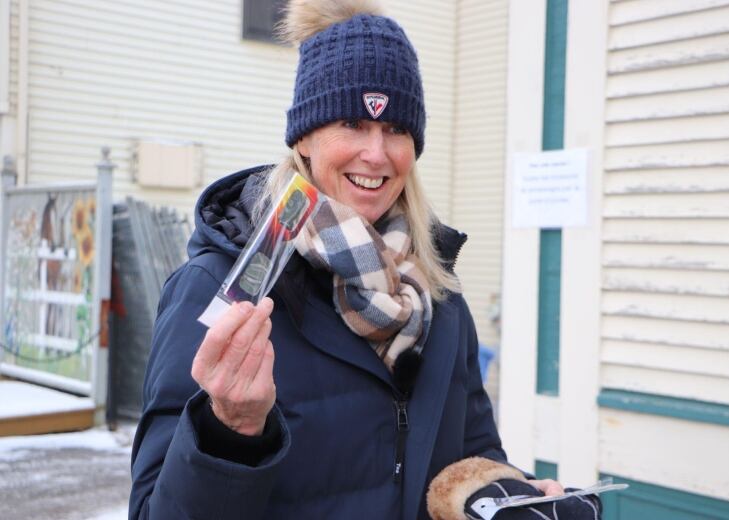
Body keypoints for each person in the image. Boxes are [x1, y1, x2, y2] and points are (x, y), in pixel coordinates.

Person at [128, 0, 603, 518]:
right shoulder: (218, 287)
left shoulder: (439, 296)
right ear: (305, 139)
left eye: (395, 129)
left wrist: (509, 495)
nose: (376, 154)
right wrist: (229, 431)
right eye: (352, 122)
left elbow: (472, 456)